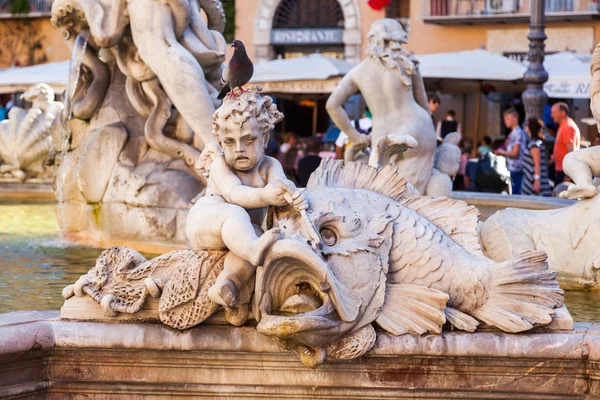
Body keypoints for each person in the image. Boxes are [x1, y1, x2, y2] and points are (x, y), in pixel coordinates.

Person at [186, 90, 307, 319]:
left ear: (265, 139)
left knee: (255, 233)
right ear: (221, 142)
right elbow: (234, 194)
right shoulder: (221, 164)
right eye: (229, 142)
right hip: (206, 221)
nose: (239, 149)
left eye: (248, 140)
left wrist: (295, 196)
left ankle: (226, 285)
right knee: (236, 214)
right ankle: (253, 250)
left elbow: (282, 187)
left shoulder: (270, 166)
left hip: (238, 236)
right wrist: (266, 195)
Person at [327, 19, 438, 194]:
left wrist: (354, 136)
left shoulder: (358, 72)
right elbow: (423, 103)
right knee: (417, 199)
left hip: (383, 137)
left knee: (388, 200)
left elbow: (332, 105)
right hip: (417, 125)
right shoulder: (406, 62)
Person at [495, 108, 526, 194]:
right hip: (511, 169)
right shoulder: (512, 133)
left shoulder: (518, 133)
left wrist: (502, 152)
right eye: (505, 119)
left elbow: (515, 153)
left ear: (515, 118)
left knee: (515, 195)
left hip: (516, 169)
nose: (505, 122)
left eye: (507, 119)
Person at [551, 102, 580, 183]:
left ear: (563, 113)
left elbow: (571, 151)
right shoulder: (563, 125)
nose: (552, 115)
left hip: (565, 171)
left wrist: (568, 174)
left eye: (554, 112)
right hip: (561, 169)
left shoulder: (568, 126)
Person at [522, 118, 552, 197]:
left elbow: (537, 163)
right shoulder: (535, 142)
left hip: (534, 181)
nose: (525, 126)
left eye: (527, 124)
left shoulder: (534, 144)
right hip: (531, 179)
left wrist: (537, 180)